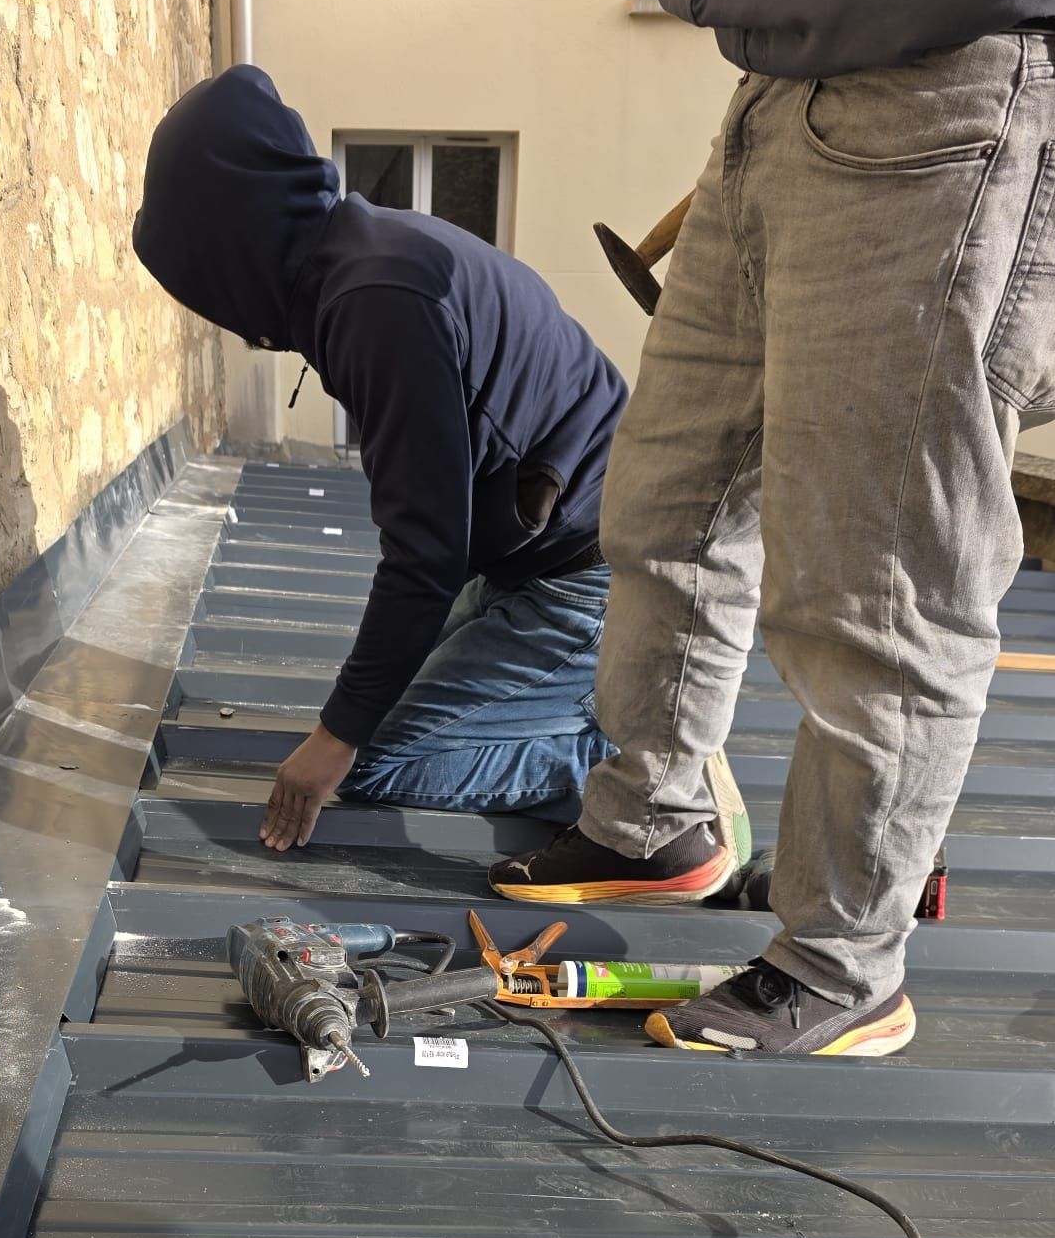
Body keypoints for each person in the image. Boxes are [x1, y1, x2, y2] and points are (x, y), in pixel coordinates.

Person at [491, 0, 1055, 1056]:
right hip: (777, 89)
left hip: (966, 78)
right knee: (667, 511)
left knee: (878, 582)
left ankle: (843, 963)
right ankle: (652, 823)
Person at [133, 66, 750, 890]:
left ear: (231, 244)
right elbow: (438, 534)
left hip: (592, 574)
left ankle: (642, 785)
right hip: (546, 551)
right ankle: (635, 729)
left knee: (372, 760)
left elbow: (424, 554)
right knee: (368, 704)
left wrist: (335, 740)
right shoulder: (361, 257)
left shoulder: (375, 303)